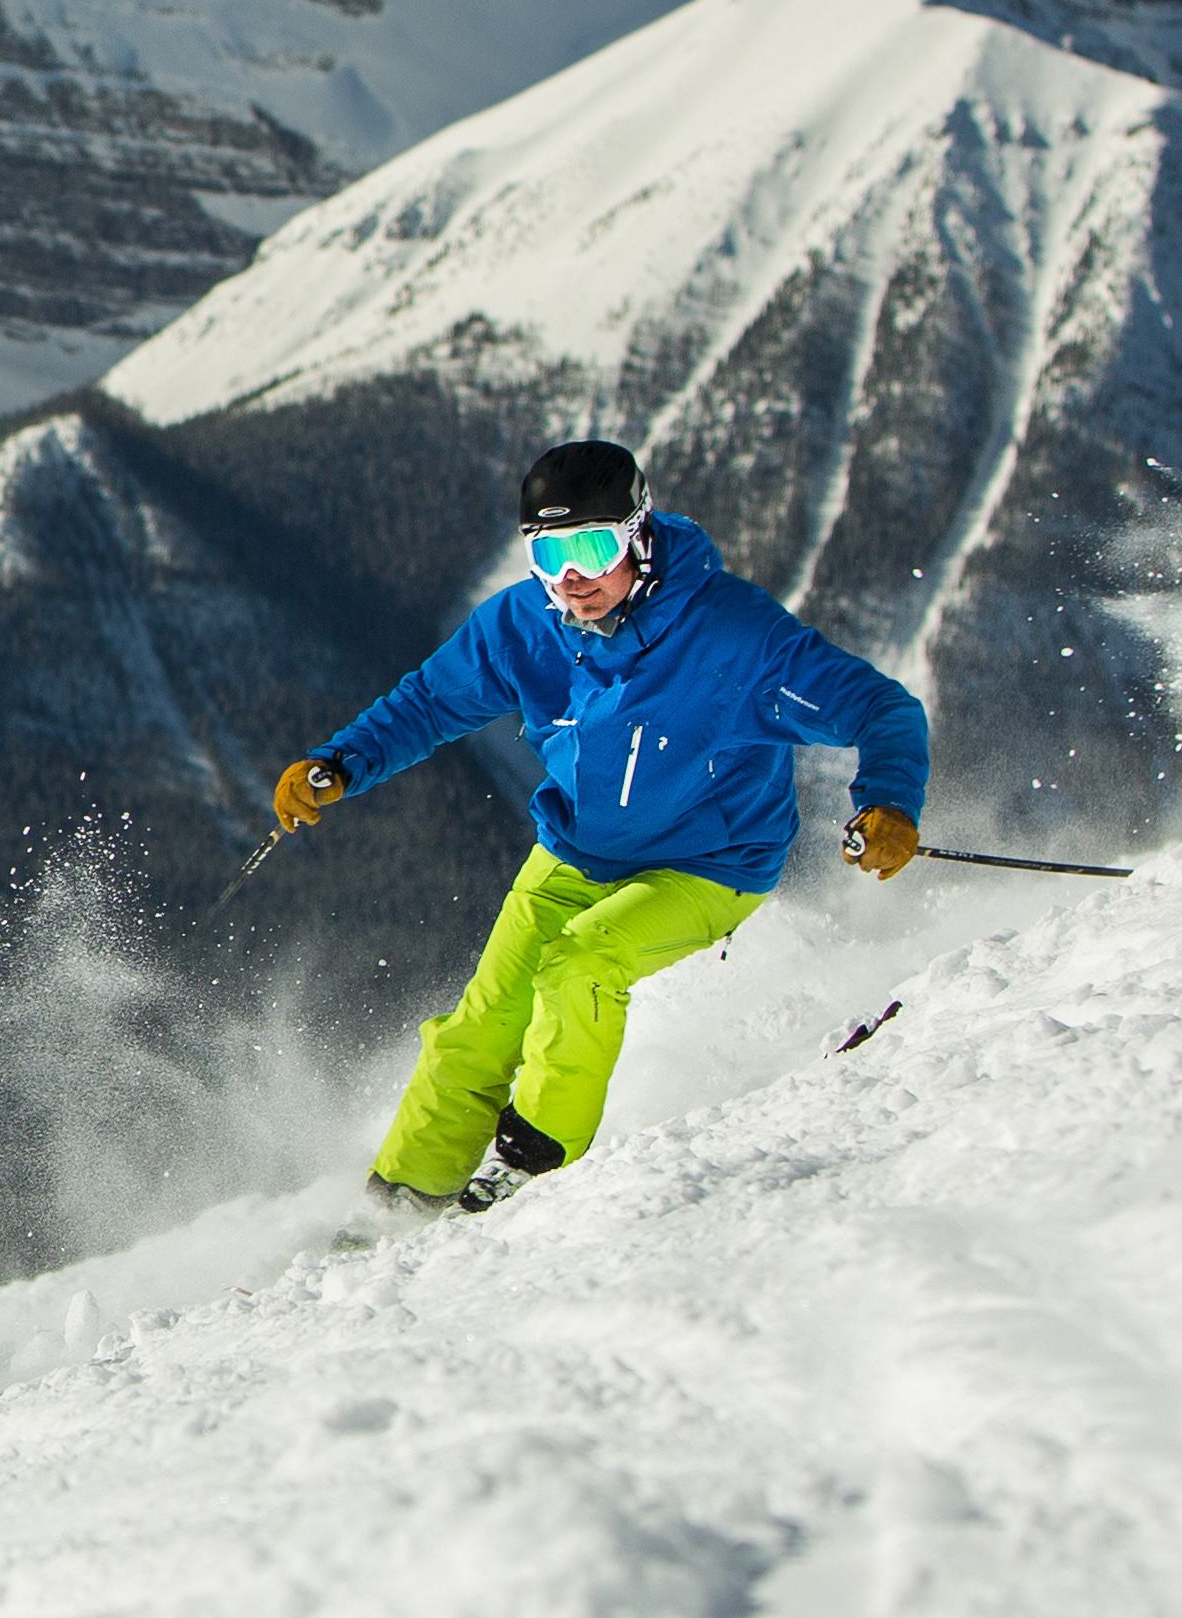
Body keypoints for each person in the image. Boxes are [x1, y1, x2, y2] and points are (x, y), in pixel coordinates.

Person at [269, 440, 929, 1218]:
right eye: (549, 553)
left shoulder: (734, 638)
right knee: (478, 1029)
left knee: (583, 963)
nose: (572, 576)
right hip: (577, 851)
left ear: (639, 536)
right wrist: (341, 762)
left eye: (592, 546)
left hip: (708, 863)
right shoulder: (525, 623)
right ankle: (398, 1207)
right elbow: (429, 702)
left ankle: (532, 1168)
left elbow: (884, 708)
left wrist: (888, 800)